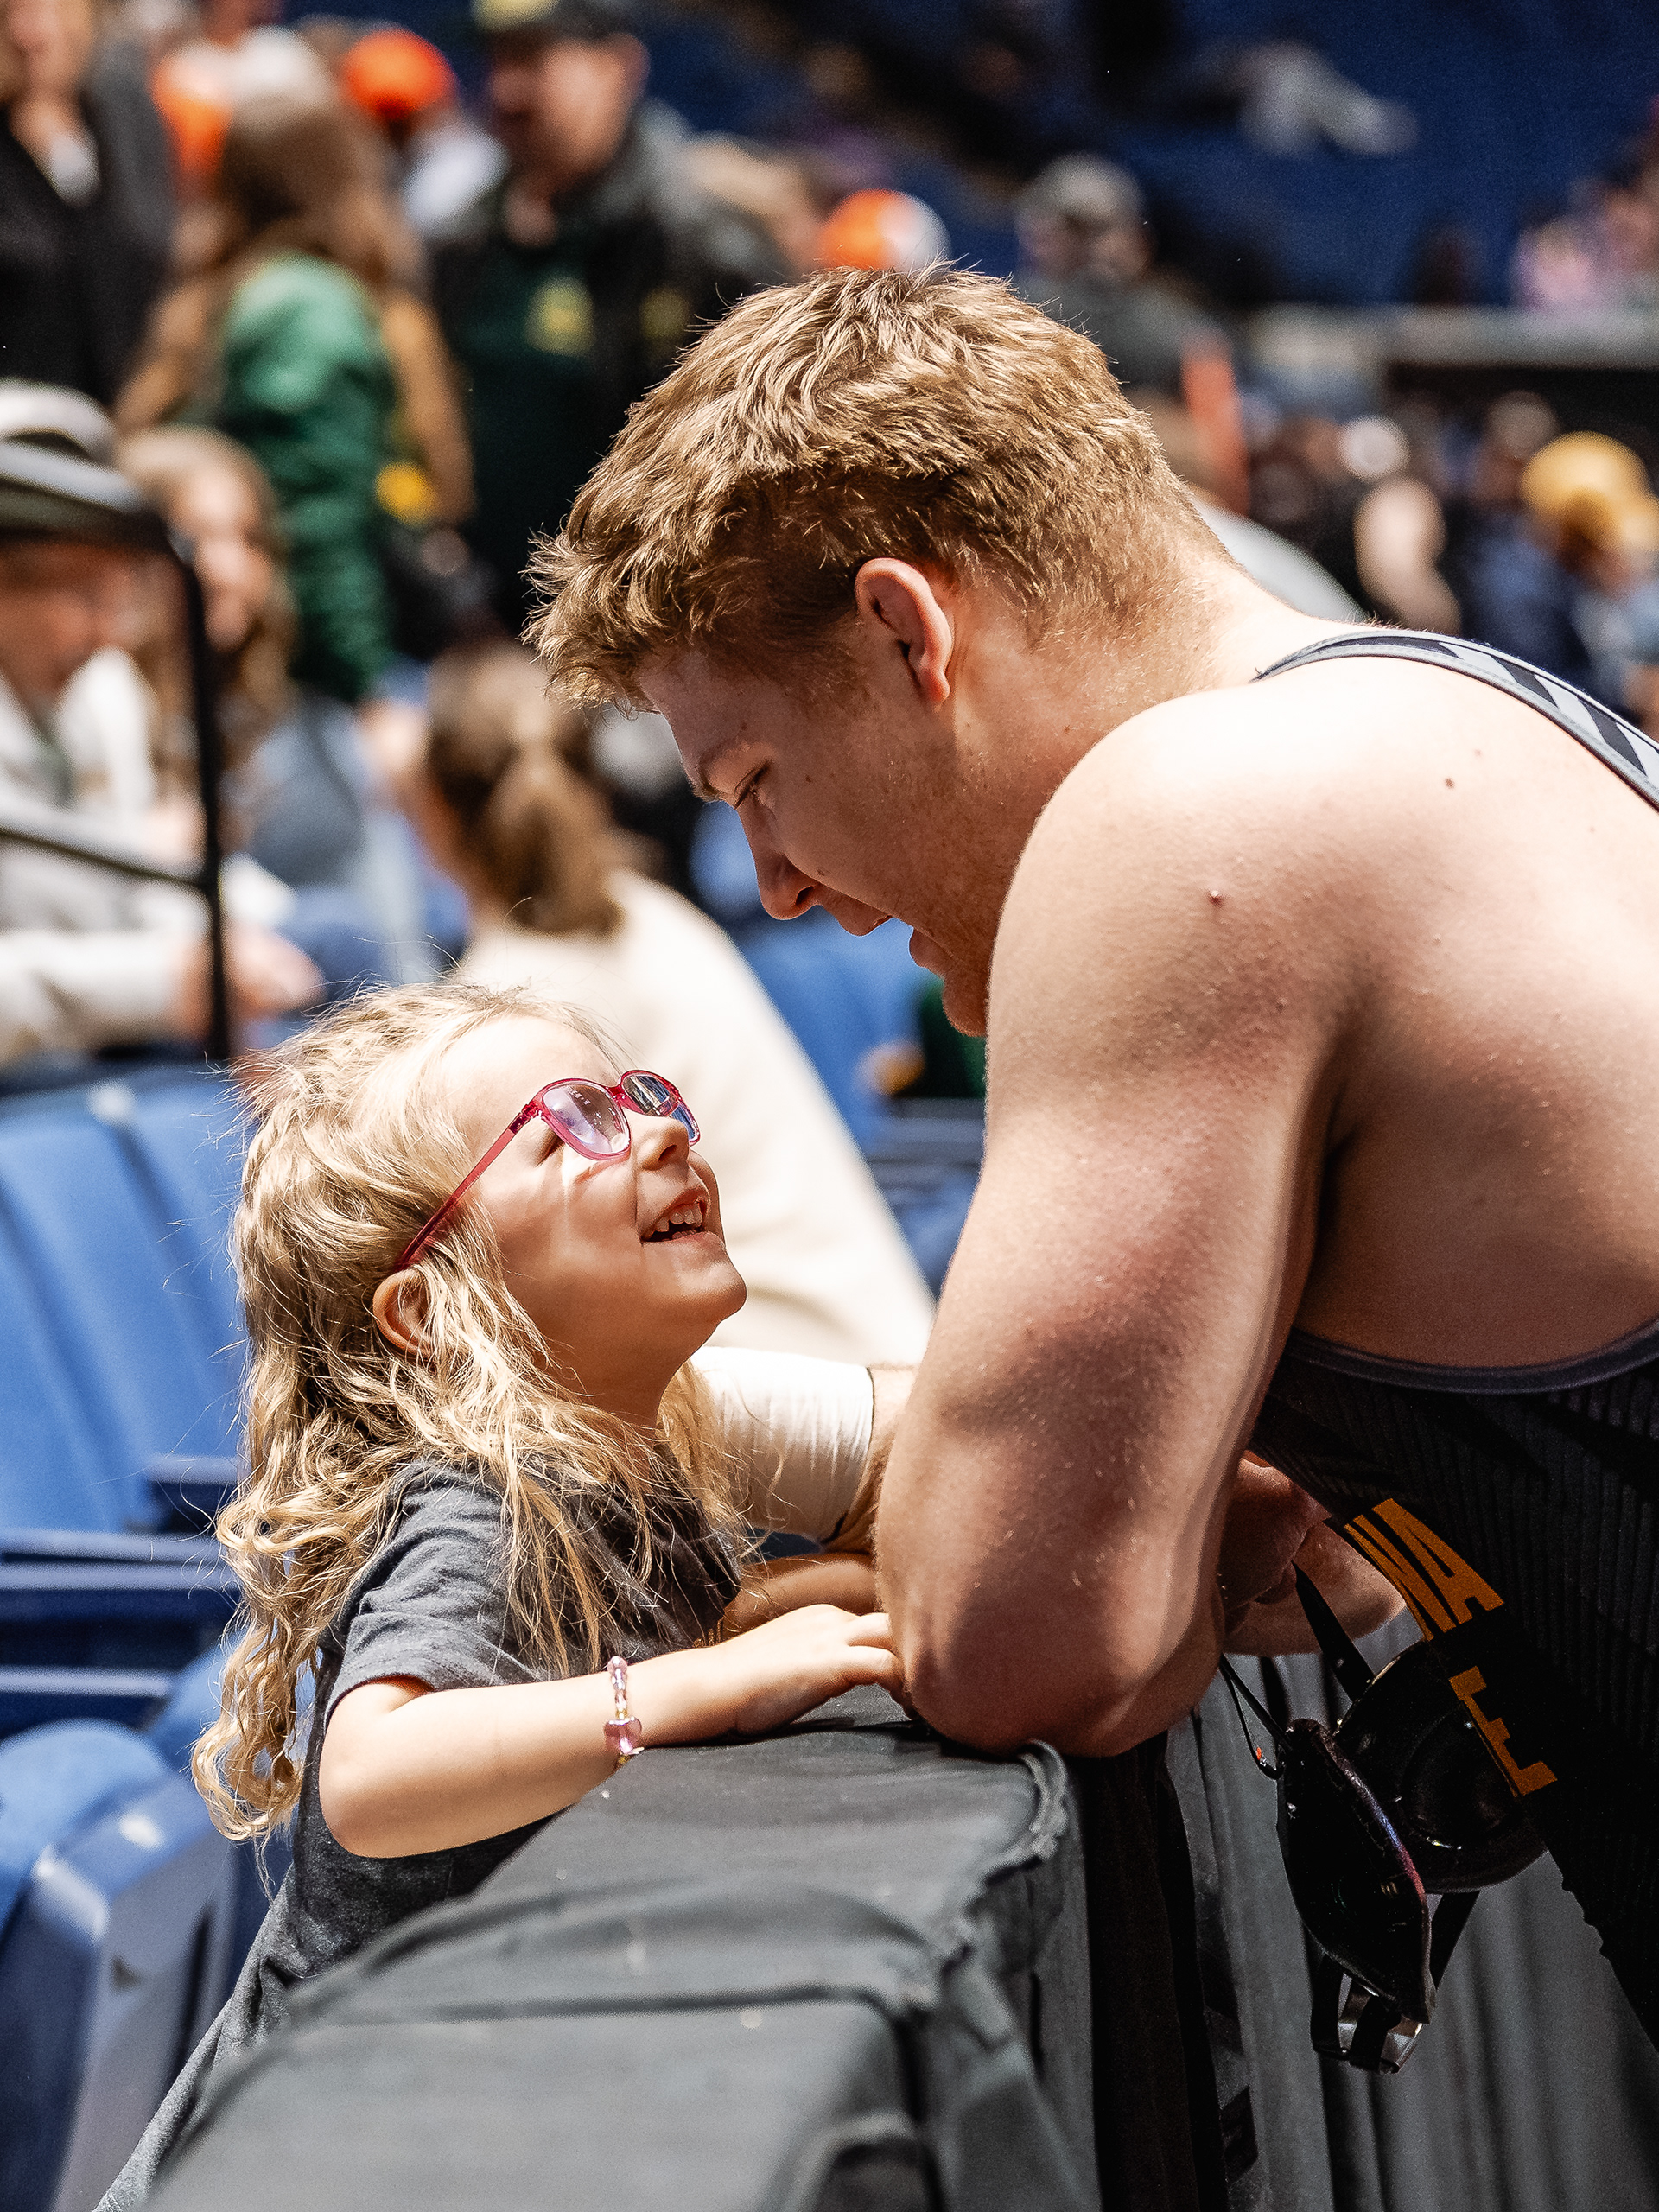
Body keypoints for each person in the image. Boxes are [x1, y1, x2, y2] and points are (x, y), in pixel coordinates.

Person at [533, 264, 1659, 2106]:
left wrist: (892, 1581)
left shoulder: (1190, 825)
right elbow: (1317, 1542)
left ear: (912, 637)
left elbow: (1025, 1638)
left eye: (757, 775)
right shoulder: (1445, 706)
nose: (782, 883)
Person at [99, 977, 904, 2206]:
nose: (664, 1130)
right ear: (429, 1305)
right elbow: (375, 1776)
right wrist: (691, 1687)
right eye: (572, 1122)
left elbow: (597, 1656)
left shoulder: (627, 1462)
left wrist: (784, 1610)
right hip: (306, 2155)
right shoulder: (481, 1499)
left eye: (643, 1096)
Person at [409, 640, 936, 1365]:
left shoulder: (501, 1004)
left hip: (794, 1392)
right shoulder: (657, 914)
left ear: (429, 807)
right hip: (879, 1353)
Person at [429, 0, 782, 632]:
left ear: (618, 68)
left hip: (649, 635)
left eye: (535, 58)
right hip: (482, 628)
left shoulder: (705, 246)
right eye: (498, 59)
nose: (507, 89)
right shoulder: (459, 243)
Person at [118, 92, 473, 715]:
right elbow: (313, 529)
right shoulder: (310, 310)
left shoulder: (224, 294)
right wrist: (357, 692)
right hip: (297, 681)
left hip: (234, 659)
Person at [0, 388, 321, 1066]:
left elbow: (143, 889)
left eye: (119, 591)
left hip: (102, 1029)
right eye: (83, 592)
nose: (110, 629)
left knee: (333, 941)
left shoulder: (101, 685)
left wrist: (219, 953)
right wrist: (161, 982)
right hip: (39, 1064)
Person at [118, 424, 434, 986]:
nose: (230, 570)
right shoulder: (99, 709)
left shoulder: (292, 720)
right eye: (196, 539)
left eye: (250, 540)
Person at [0, 0, 175, 406]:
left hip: (123, 412)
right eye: (11, 15)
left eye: (50, 12)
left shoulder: (124, 115)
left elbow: (153, 249)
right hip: (20, 425)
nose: (30, 36)